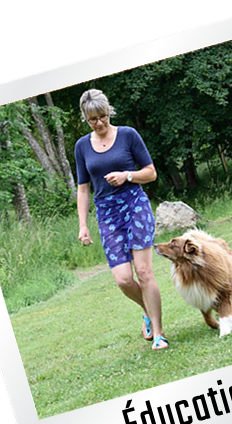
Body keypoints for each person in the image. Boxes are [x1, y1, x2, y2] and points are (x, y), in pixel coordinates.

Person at [75, 89, 168, 350]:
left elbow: (151, 173)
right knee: (124, 279)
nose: (100, 123)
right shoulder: (82, 146)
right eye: (93, 119)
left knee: (144, 272)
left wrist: (127, 175)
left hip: (134, 204)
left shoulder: (127, 135)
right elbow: (83, 188)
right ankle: (147, 311)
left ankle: (159, 333)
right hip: (107, 214)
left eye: (103, 117)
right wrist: (83, 224)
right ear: (86, 118)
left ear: (109, 112)